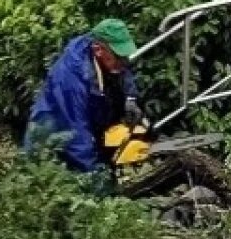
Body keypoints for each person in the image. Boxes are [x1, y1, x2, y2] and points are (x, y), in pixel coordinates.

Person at [24, 18, 143, 176]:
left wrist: (131, 98)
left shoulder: (103, 54)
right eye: (118, 56)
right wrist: (96, 176)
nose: (123, 62)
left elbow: (123, 70)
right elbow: (76, 133)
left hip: (87, 129)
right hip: (51, 140)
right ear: (98, 50)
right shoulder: (70, 79)